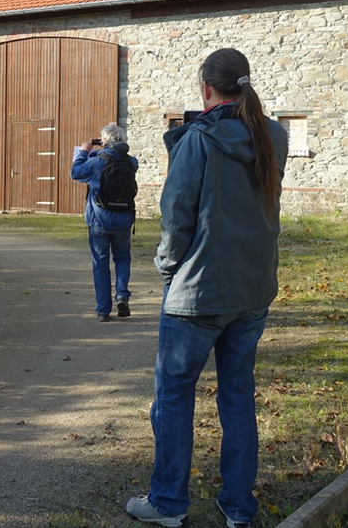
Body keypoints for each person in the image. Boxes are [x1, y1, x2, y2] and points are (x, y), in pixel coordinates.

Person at [126, 48, 288, 528]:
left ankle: (169, 504)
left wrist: (167, 268)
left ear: (206, 89)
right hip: (252, 286)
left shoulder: (198, 140)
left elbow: (176, 217)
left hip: (198, 291)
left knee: (174, 395)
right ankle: (239, 508)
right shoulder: (273, 135)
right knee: (237, 395)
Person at [70, 123, 138, 322]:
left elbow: (75, 172)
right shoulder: (132, 162)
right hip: (124, 220)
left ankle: (103, 310)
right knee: (123, 259)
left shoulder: (95, 162)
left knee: (100, 264)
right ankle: (122, 296)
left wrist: (84, 150)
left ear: (104, 141)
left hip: (99, 220)